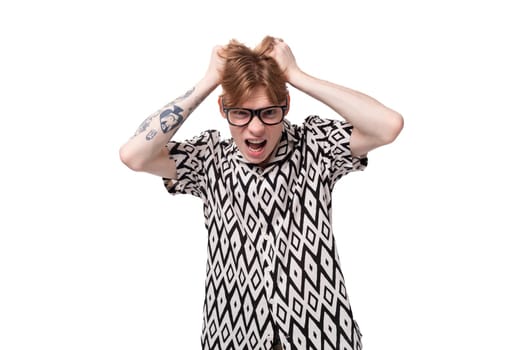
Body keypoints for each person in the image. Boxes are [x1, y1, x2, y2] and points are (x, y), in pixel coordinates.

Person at [120, 36, 403, 350]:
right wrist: (209, 81)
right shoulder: (208, 159)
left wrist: (297, 76)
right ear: (223, 108)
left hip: (323, 337)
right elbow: (135, 155)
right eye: (241, 113)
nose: (255, 129)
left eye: (269, 113)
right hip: (232, 337)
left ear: (286, 106)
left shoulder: (315, 145)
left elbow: (387, 126)